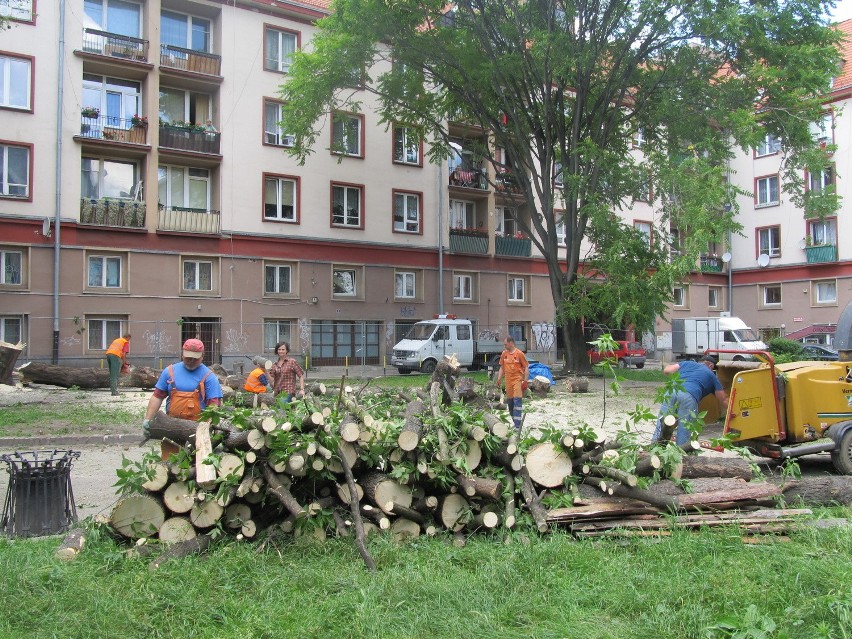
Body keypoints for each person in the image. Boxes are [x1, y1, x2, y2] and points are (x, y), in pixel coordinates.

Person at [142, 338, 223, 439]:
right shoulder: (170, 371)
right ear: (182, 354)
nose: (191, 361)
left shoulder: (209, 377)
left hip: (197, 430)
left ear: (202, 356)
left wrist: (210, 430)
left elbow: (214, 406)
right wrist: (148, 419)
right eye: (188, 358)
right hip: (171, 428)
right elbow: (157, 397)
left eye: (195, 358)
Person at [652, 355, 729, 445]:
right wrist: (732, 413)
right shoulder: (711, 375)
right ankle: (682, 454)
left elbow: (667, 370)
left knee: (662, 423)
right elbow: (723, 399)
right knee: (685, 428)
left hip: (671, 392)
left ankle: (654, 449)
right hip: (688, 396)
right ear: (711, 366)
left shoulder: (686, 363)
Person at [496, 336, 529, 432]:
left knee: (517, 401)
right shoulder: (504, 354)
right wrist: (499, 379)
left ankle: (518, 427)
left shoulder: (519, 354)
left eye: (505, 344)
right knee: (510, 404)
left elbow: (526, 367)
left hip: (517, 381)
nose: (504, 346)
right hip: (508, 382)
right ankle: (516, 423)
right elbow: (502, 367)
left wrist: (525, 381)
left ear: (511, 343)